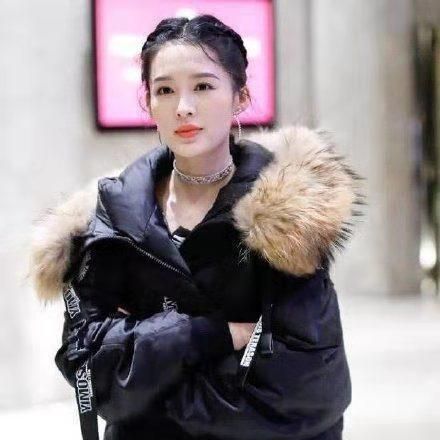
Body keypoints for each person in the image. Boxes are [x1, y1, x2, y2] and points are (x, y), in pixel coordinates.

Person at [29, 14, 365, 440]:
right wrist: (210, 334)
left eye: (203, 87)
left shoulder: (285, 218)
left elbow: (304, 393)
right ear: (148, 102)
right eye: (165, 90)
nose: (183, 107)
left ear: (240, 97)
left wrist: (147, 374)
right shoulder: (112, 218)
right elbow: (91, 374)